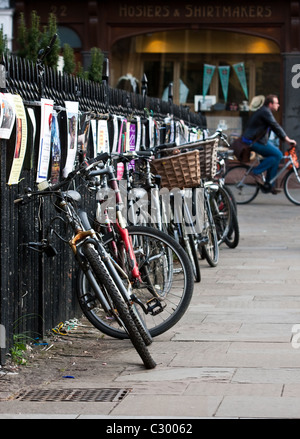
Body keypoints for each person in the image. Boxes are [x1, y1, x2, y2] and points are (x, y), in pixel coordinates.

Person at [242, 94, 297, 194]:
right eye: (277, 103)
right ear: (270, 104)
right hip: (252, 141)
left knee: (276, 155)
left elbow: (274, 128)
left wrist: (283, 139)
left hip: (258, 140)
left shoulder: (265, 111)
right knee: (278, 155)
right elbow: (276, 126)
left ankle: (269, 185)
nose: (279, 105)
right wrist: (287, 140)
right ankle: (255, 172)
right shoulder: (265, 112)